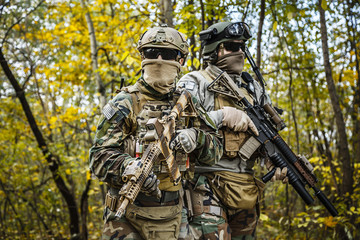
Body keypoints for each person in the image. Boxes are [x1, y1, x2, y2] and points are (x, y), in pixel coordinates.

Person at [89, 25, 223, 240]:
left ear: (180, 60)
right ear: (142, 56)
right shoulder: (125, 103)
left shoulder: (189, 103)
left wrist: (196, 138)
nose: (159, 60)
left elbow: (216, 151)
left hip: (175, 214)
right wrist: (127, 166)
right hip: (126, 218)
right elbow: (97, 157)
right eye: (152, 53)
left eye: (168, 54)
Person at [177, 22, 287, 239]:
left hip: (246, 188)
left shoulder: (252, 88)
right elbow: (179, 129)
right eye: (231, 47)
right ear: (214, 50)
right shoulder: (194, 81)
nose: (239, 53)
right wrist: (221, 116)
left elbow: (264, 135)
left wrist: (275, 162)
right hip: (207, 185)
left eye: (241, 47)